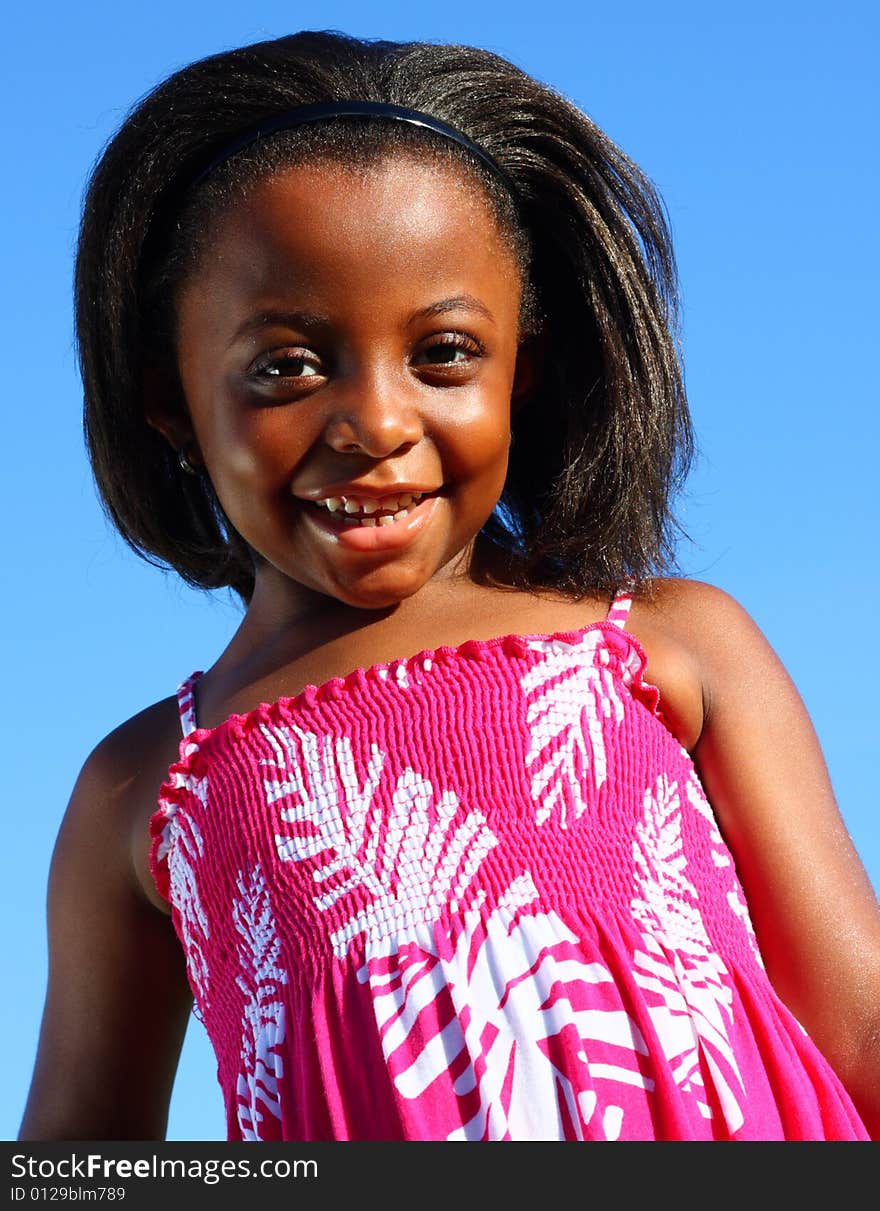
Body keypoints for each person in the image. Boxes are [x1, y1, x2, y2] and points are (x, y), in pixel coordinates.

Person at [18, 28, 880, 1144]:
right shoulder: (146, 788)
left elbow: (858, 1033)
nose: (376, 422)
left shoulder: (666, 646)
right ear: (171, 404)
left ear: (526, 367)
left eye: (444, 354)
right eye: (287, 366)